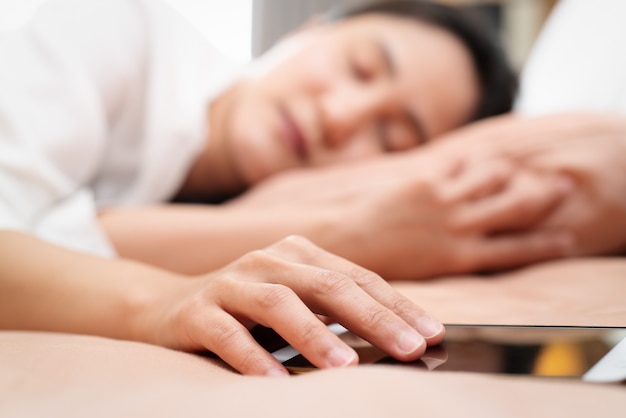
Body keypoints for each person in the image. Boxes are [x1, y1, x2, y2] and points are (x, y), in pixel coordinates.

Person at [0, 0, 520, 376]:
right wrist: (161, 301)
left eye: (390, 137)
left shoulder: (252, 201)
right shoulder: (107, 23)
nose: (338, 116)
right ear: (310, 31)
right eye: (358, 67)